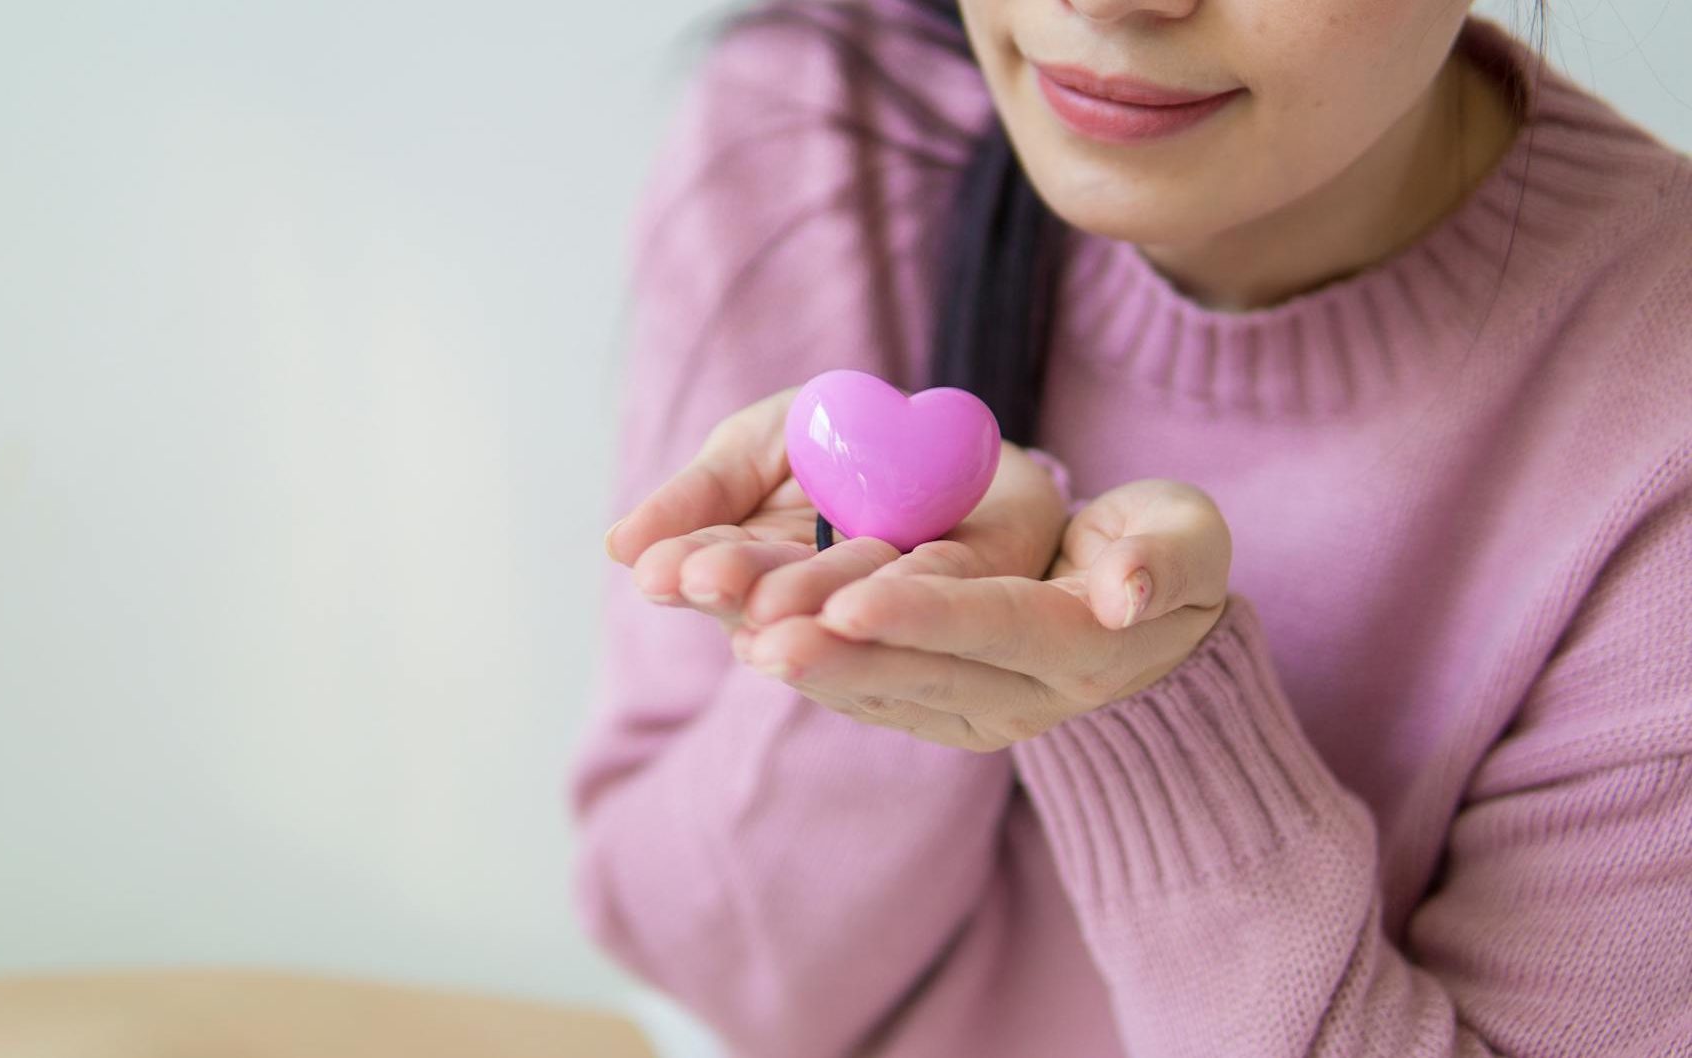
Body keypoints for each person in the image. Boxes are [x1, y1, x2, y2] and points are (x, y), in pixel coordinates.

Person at [566, 0, 1692, 1054]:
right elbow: (708, 966)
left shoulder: (1657, 418)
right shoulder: (820, 126)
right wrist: (890, 617)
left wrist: (1149, 711)